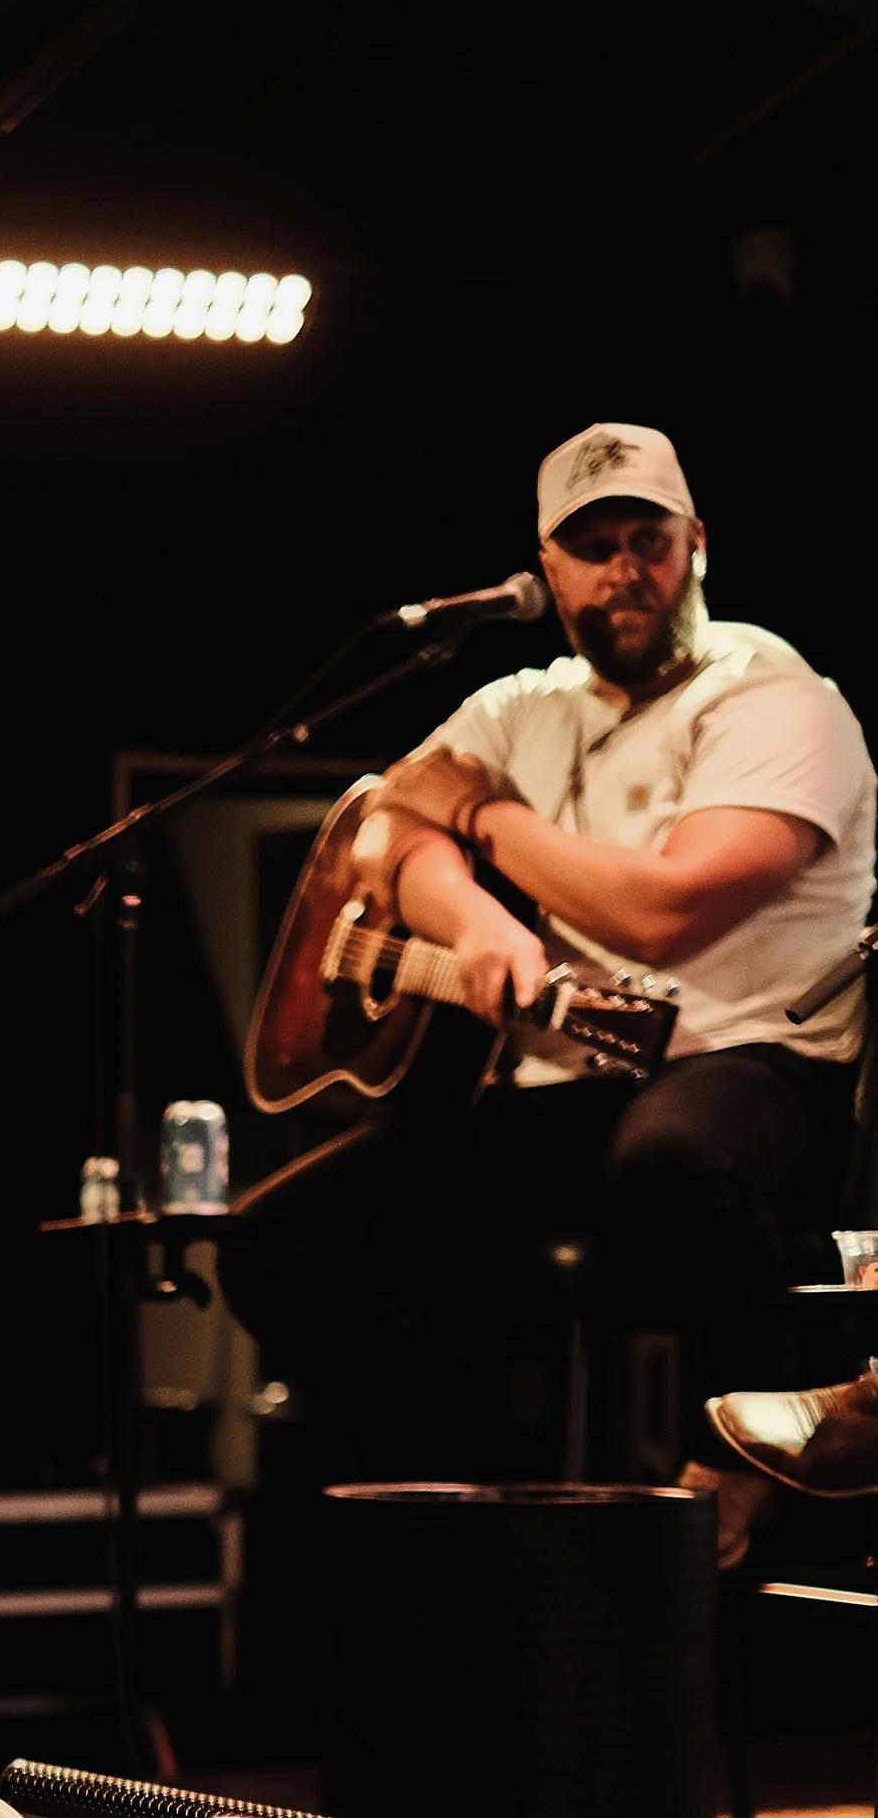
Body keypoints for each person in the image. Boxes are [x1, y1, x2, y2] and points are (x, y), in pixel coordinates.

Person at [225, 424, 873, 1535]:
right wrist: (473, 920)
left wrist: (483, 815)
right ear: (547, 566)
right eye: (593, 547)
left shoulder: (774, 694)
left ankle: (742, 1475)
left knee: (669, 1160)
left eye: (647, 539)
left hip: (762, 1064)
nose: (625, 569)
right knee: (277, 1246)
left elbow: (663, 913)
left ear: (696, 545)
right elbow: (385, 829)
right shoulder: (522, 705)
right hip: (580, 1085)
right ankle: (511, 1508)